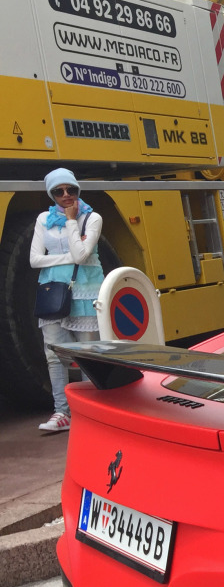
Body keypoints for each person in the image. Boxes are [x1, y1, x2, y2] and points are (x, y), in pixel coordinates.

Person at [30, 168, 105, 433]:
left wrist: (72, 221)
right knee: (54, 354)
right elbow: (34, 260)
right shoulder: (43, 219)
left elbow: (83, 256)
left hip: (85, 292)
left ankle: (89, 412)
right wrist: (70, 256)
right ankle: (62, 412)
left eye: (71, 190)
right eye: (58, 191)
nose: (66, 196)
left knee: (88, 355)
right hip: (53, 291)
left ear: (78, 190)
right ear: (51, 195)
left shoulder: (91, 218)